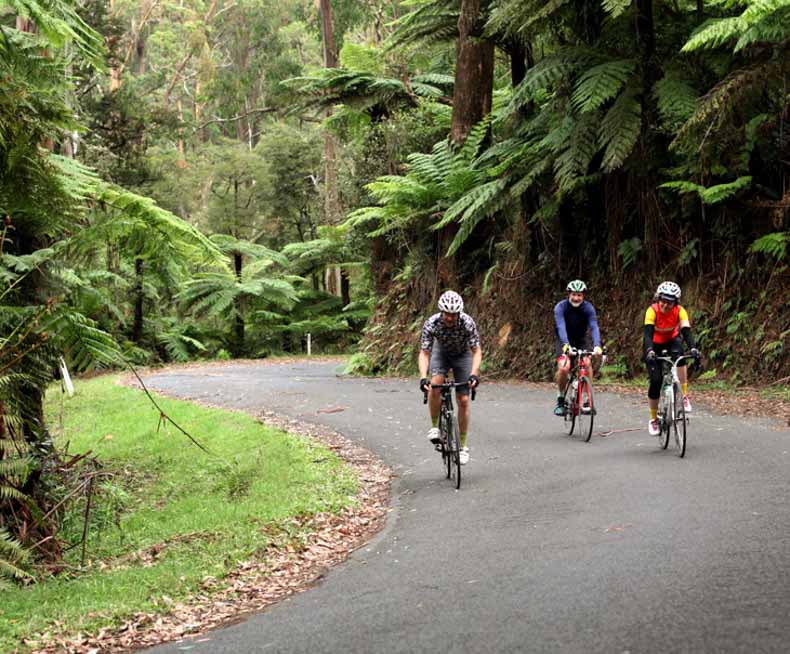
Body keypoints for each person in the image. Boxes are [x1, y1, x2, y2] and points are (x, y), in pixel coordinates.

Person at [418, 290, 482, 465]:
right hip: (441, 353)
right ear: (441, 312)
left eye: (454, 315)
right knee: (435, 384)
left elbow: (476, 351)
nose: (450, 318)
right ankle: (434, 426)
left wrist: (474, 374)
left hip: (463, 355)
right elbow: (424, 353)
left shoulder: (467, 323)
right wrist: (424, 377)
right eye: (447, 314)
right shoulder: (432, 323)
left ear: (458, 313)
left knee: (463, 399)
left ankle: (463, 446)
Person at [643, 281, 701, 436]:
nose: (665, 304)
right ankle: (653, 419)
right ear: (658, 298)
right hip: (653, 345)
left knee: (681, 356)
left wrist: (693, 348)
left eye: (670, 302)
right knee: (655, 381)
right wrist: (649, 350)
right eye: (663, 300)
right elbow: (647, 334)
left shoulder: (680, 311)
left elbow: (686, 332)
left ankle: (684, 395)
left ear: (676, 302)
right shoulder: (652, 311)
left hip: (671, 340)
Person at [553, 280, 603, 416]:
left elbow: (594, 327)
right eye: (574, 294)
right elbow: (561, 327)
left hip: (580, 340)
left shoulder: (588, 308)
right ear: (569, 294)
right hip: (564, 341)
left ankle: (587, 399)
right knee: (564, 367)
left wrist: (598, 345)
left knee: (587, 363)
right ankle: (561, 399)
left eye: (579, 295)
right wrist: (566, 345)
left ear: (583, 296)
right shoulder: (560, 307)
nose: (576, 298)